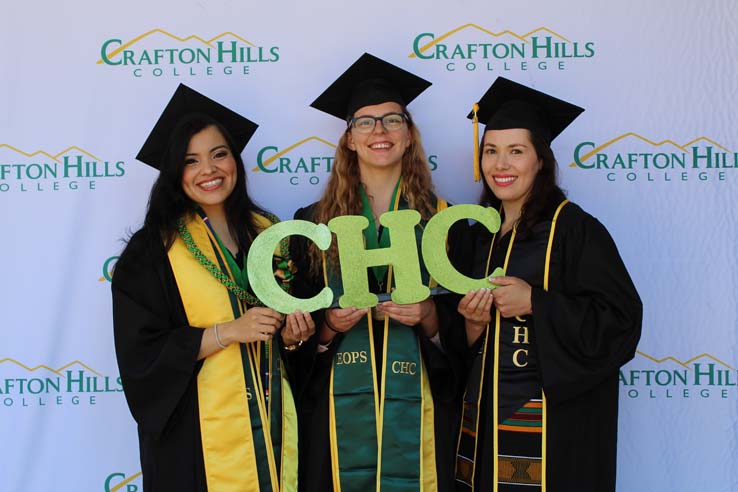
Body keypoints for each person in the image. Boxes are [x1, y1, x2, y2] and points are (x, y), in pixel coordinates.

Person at [112, 84, 313, 492]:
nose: (209, 169)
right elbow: (141, 357)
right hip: (195, 444)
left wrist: (294, 340)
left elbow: (295, 347)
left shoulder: (270, 234)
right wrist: (227, 333)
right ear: (174, 172)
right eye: (191, 160)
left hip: (275, 432)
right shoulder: (152, 251)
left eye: (219, 154)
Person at [453, 77, 642, 492]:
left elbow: (620, 323)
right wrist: (472, 323)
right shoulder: (476, 236)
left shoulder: (576, 230)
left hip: (554, 429)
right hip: (484, 424)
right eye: (491, 151)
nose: (500, 165)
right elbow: (462, 347)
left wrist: (536, 302)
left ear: (541, 160)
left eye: (516, 152)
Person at [291, 53, 467, 492]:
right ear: (348, 139)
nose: (380, 132)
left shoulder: (446, 223)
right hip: (336, 415)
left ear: (409, 135)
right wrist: (329, 326)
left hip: (423, 409)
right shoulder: (312, 224)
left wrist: (428, 315)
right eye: (364, 122)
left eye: (392, 120)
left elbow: (469, 331)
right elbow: (294, 329)